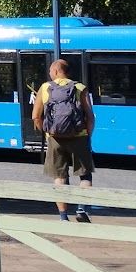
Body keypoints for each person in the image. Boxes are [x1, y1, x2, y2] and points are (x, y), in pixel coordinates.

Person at [32, 58, 95, 222]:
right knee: (85, 176)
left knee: (59, 177)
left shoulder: (45, 87)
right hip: (79, 137)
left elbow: (35, 117)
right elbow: (90, 117)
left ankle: (63, 217)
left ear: (56, 71)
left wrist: (47, 132)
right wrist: (87, 134)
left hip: (55, 138)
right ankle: (82, 209)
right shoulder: (80, 88)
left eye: (50, 72)